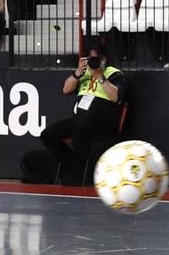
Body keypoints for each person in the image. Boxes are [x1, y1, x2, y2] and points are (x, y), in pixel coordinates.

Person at [42, 42, 125, 186]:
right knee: (48, 134)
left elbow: (116, 97)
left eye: (97, 58)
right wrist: (77, 73)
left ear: (104, 58)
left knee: (81, 125)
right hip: (80, 121)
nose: (94, 62)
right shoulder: (83, 74)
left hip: (103, 123)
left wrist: (100, 77)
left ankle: (77, 174)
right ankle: (75, 166)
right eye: (90, 59)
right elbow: (66, 90)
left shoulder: (114, 73)